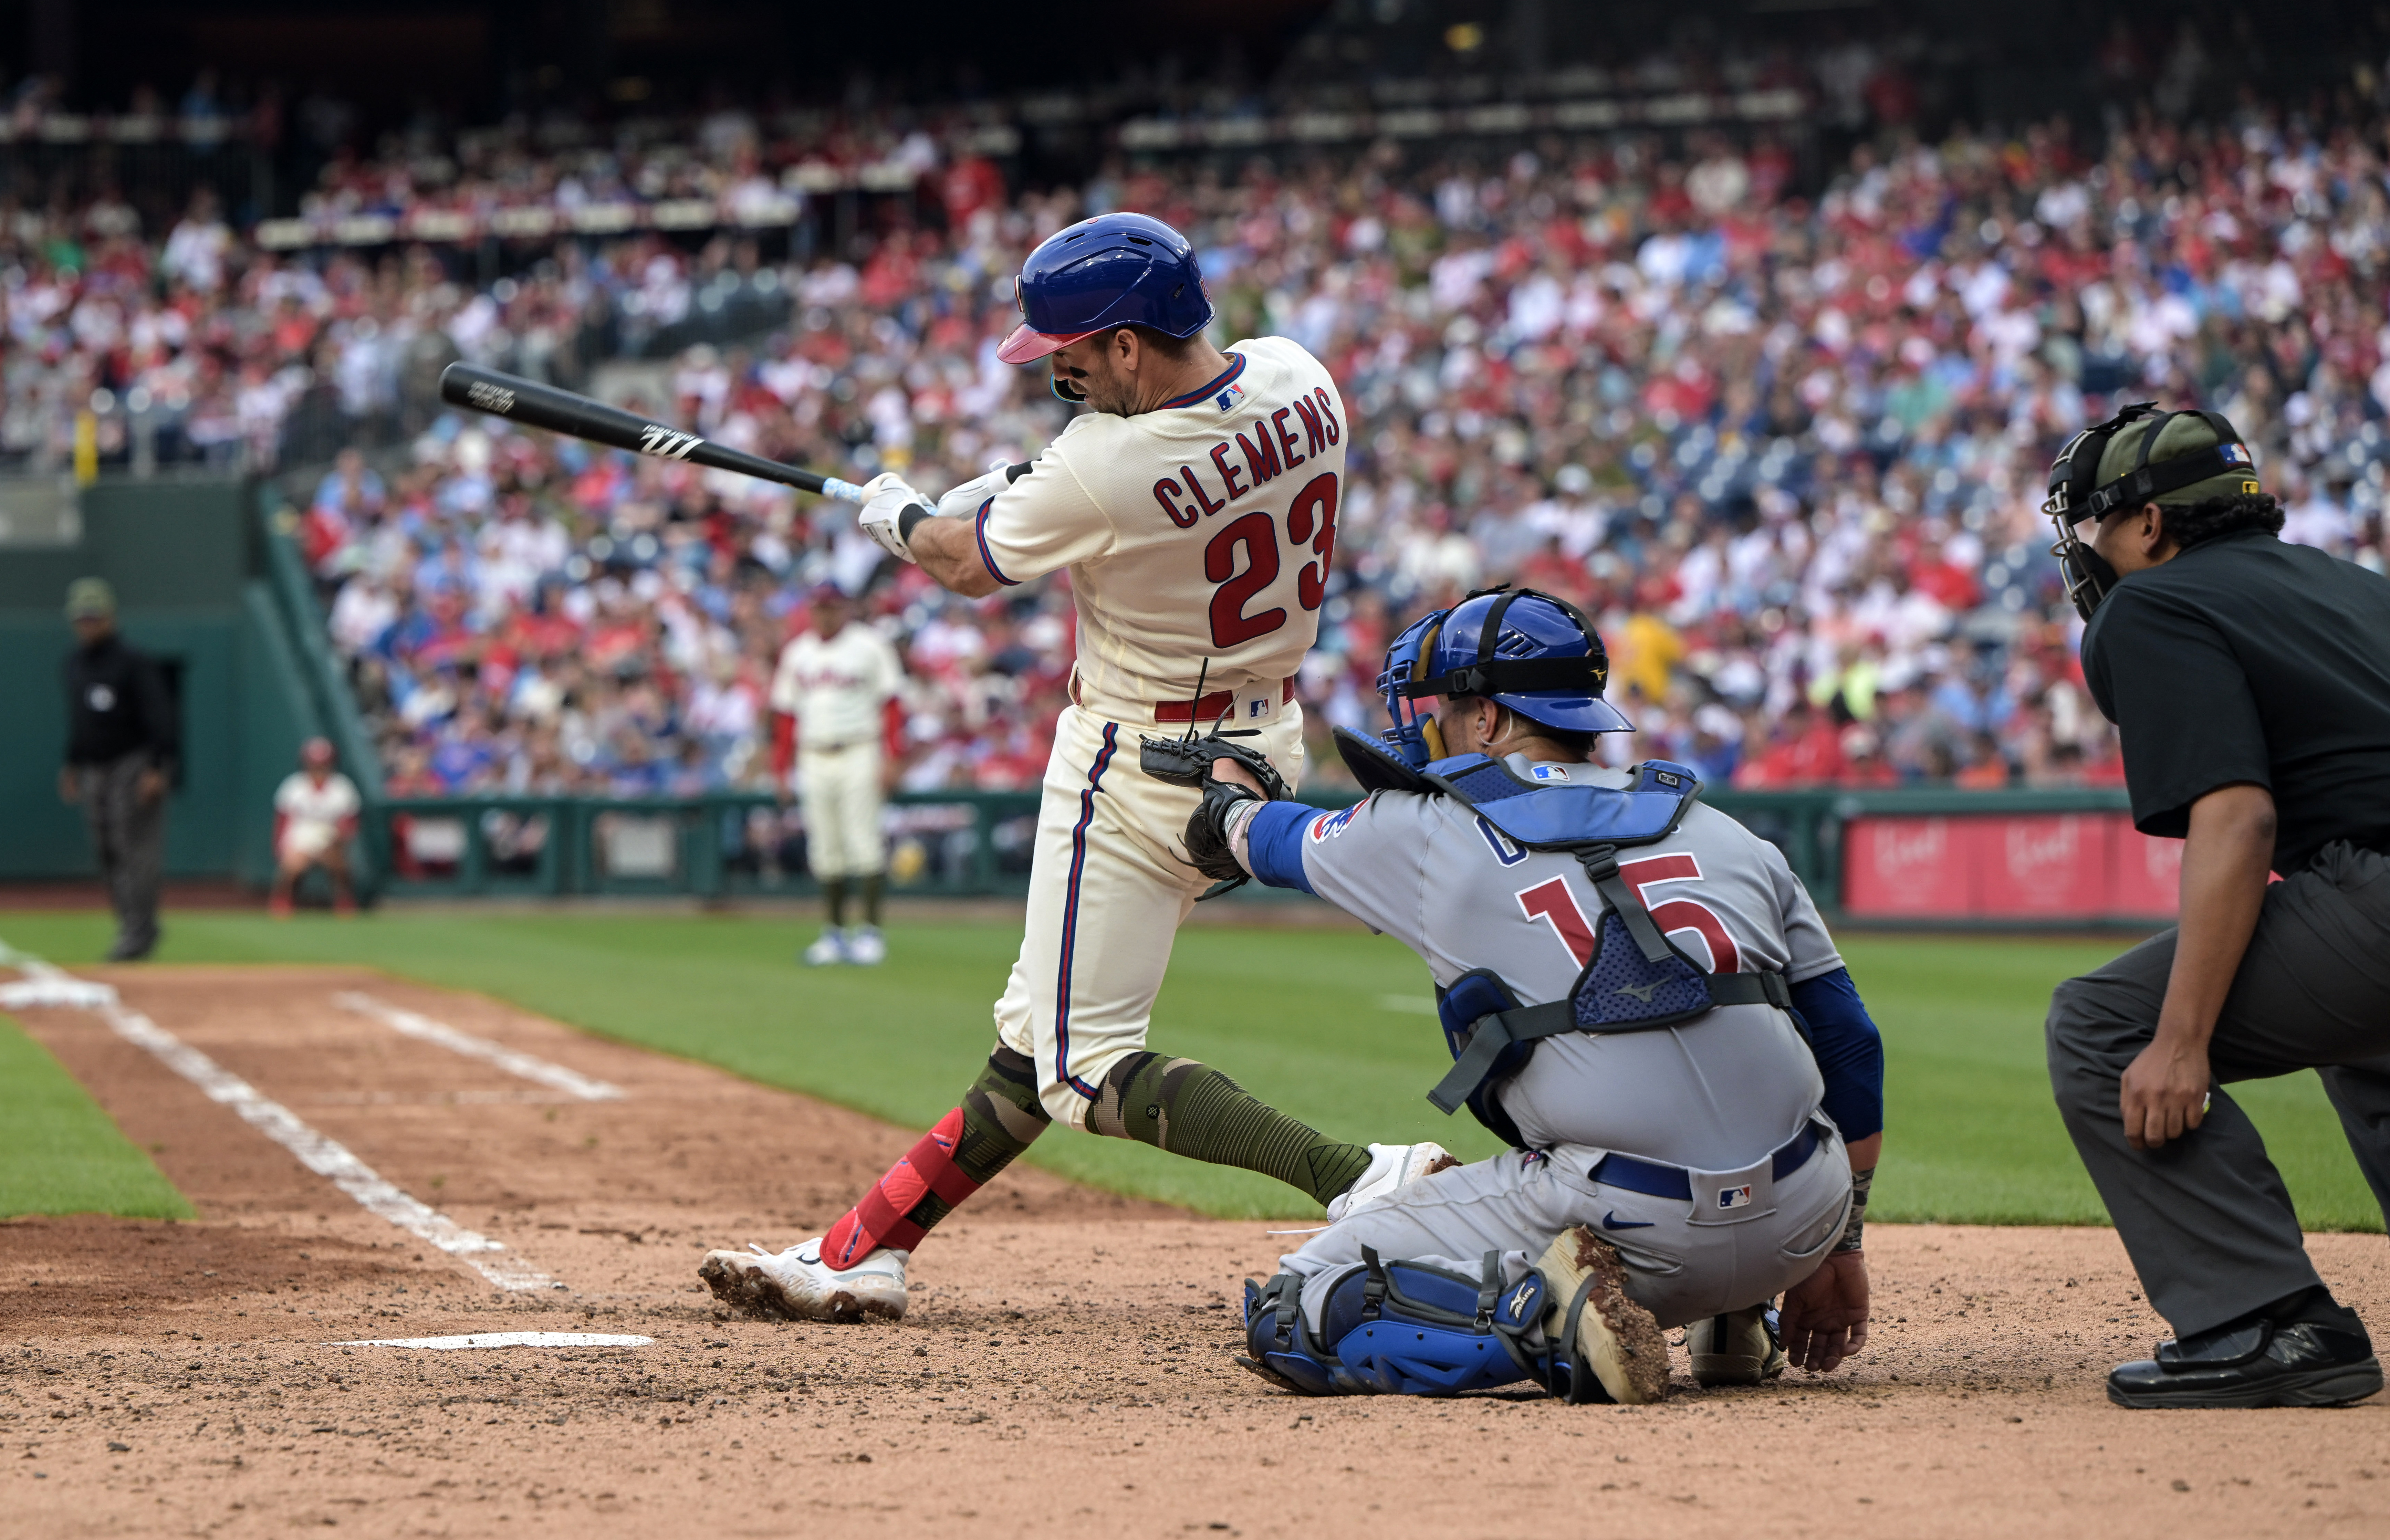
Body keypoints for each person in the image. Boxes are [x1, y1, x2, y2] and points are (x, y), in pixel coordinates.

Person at [701, 211, 1449, 1322]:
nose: (1062, 375)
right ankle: (864, 1245)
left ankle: (1358, 1174)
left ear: (1130, 345)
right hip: (1259, 741)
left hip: (1136, 760)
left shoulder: (1102, 463)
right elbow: (1128, 460)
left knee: (1081, 1064)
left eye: (1072, 360)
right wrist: (1014, 473)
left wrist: (900, 514)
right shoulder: (1301, 375)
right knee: (1042, 1031)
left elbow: (965, 563)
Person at [1182, 588, 1884, 1401]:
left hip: (1629, 1221)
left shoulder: (1420, 828)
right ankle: (1733, 1318)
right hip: (1803, 1217)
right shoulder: (1726, 831)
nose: (1432, 723)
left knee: (1293, 1304)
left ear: (1485, 721)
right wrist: (1839, 1245)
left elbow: (1261, 838)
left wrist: (1225, 792)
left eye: (1446, 705)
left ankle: (1552, 1326)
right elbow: (1849, 1043)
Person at [2041, 405, 2390, 1409]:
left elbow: (2236, 821)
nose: (2087, 554)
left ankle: (2268, 1320)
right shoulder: (2348, 584)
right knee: (2366, 1042)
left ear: (2148, 525)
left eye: (2095, 526)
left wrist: (2183, 1038)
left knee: (2103, 1027)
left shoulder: (2150, 607)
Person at [768, 584, 904, 966]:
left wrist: (892, 756)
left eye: (831, 607)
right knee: (825, 849)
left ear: (844, 608)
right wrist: (780, 767)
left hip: (860, 748)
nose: (825, 614)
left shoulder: (869, 645)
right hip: (813, 753)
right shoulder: (798, 653)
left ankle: (870, 933)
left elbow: (891, 704)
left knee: (863, 843)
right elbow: (785, 715)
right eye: (819, 607)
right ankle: (833, 934)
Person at [57, 578, 177, 962]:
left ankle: (140, 929)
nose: (87, 624)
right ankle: (130, 923)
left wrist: (157, 766)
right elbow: (80, 721)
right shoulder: (75, 664)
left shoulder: (133, 662)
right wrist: (73, 762)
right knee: (107, 850)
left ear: (110, 616)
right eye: (81, 617)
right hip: (95, 767)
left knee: (135, 849)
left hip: (133, 762)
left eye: (94, 616)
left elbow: (161, 716)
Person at [269, 737, 361, 916]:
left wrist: (339, 838)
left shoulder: (342, 787)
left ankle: (344, 900)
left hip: (330, 837)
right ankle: (284, 900)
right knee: (293, 865)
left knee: (339, 864)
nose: (319, 769)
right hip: (300, 837)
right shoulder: (294, 786)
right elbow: (282, 821)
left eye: (323, 764)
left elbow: (351, 822)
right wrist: (281, 849)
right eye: (314, 764)